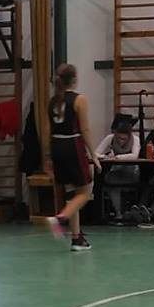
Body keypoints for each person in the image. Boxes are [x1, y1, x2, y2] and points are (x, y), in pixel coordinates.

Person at [44, 63, 95, 252]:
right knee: (86, 191)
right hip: (72, 144)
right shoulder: (79, 99)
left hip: (56, 145)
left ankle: (76, 238)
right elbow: (85, 129)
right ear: (74, 79)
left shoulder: (53, 101)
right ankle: (60, 219)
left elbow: (47, 130)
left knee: (73, 194)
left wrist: (48, 156)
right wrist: (93, 154)